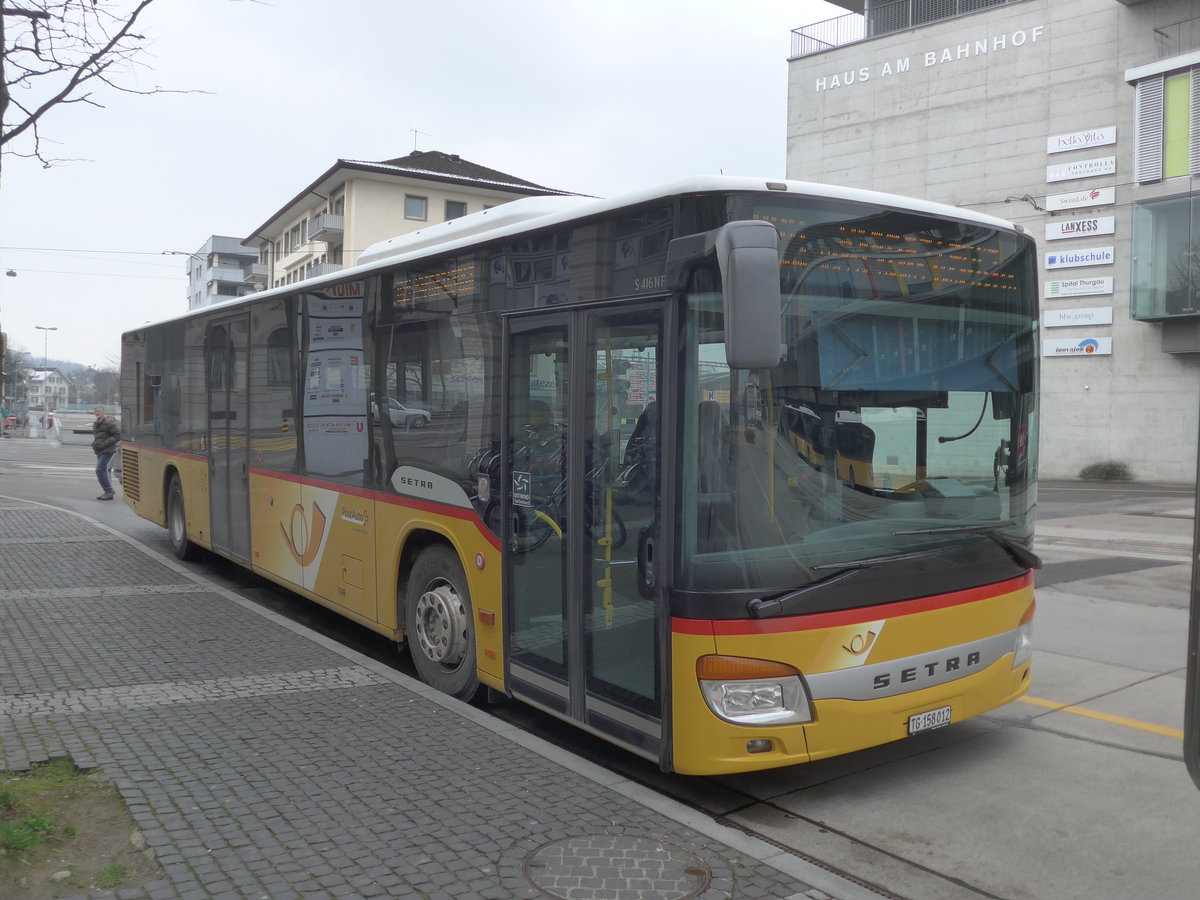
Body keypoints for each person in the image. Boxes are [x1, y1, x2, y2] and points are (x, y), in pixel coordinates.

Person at [92, 406, 121, 500]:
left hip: (107, 450)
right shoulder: (96, 423)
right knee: (102, 470)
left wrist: (105, 443)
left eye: (99, 411)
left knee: (99, 469)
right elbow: (98, 436)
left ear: (103, 412)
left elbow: (117, 435)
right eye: (95, 411)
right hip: (99, 449)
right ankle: (108, 492)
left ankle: (109, 491)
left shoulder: (108, 422)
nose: (97, 413)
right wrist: (95, 444)